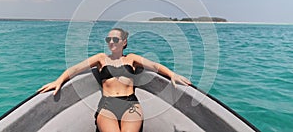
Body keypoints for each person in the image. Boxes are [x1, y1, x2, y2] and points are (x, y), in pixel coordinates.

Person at [38, 28, 192, 132]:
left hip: (130, 103)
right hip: (107, 104)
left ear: (124, 42)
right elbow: (76, 69)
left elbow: (154, 65)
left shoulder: (131, 58)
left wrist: (172, 75)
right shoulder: (100, 58)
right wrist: (59, 81)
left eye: (115, 39)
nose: (111, 42)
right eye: (108, 39)